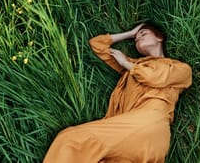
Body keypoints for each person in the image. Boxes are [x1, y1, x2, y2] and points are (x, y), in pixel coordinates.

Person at [43, 22, 192, 163]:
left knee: (71, 139)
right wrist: (130, 33)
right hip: (129, 133)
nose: (138, 37)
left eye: (143, 33)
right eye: (136, 38)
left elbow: (155, 77)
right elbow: (97, 45)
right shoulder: (132, 67)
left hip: (149, 123)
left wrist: (127, 64)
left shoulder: (180, 68)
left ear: (159, 37)